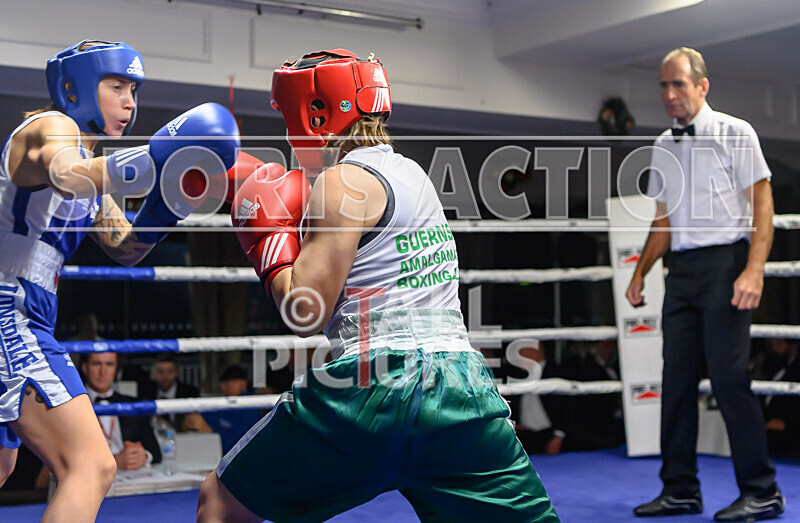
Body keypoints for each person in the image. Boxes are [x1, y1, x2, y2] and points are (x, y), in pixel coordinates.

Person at [197, 49, 558, 522]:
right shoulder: (415, 175)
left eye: (288, 119)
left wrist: (266, 240)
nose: (288, 134)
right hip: (462, 388)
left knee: (219, 504)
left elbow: (305, 311)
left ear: (317, 113)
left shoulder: (340, 181)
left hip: (371, 387)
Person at [0, 40, 238, 521]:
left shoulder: (91, 166)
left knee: (2, 465)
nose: (130, 102)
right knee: (91, 465)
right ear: (76, 88)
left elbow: (125, 248)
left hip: (30, 311)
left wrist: (171, 201)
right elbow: (67, 175)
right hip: (11, 309)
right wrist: (156, 159)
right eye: (116, 86)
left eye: (134, 89)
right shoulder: (53, 127)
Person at [626, 47, 782, 521]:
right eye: (664, 86)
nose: (670, 94)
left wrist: (753, 270)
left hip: (726, 264)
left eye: (679, 84)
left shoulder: (737, 133)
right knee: (675, 382)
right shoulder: (661, 145)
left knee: (730, 380)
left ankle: (762, 491)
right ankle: (680, 489)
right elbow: (663, 222)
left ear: (702, 86)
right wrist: (639, 273)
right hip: (683, 271)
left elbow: (763, 207)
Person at [82, 352, 162, 470]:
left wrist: (144, 456)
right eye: (96, 364)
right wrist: (113, 461)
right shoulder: (71, 406)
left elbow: (155, 453)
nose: (103, 372)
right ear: (85, 368)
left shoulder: (132, 404)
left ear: (116, 369)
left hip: (128, 481)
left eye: (109, 364)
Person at [201, 366, 263, 454]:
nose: (229, 384)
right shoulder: (219, 403)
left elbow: (236, 445)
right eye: (224, 381)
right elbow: (203, 421)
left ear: (244, 383)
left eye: (234, 380)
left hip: (241, 460)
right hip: (215, 457)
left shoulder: (250, 406)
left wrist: (207, 431)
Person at [146, 355, 200, 430]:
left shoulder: (190, 392)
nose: (165, 376)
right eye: (161, 371)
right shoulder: (146, 392)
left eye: (170, 371)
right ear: (154, 373)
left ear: (177, 373)